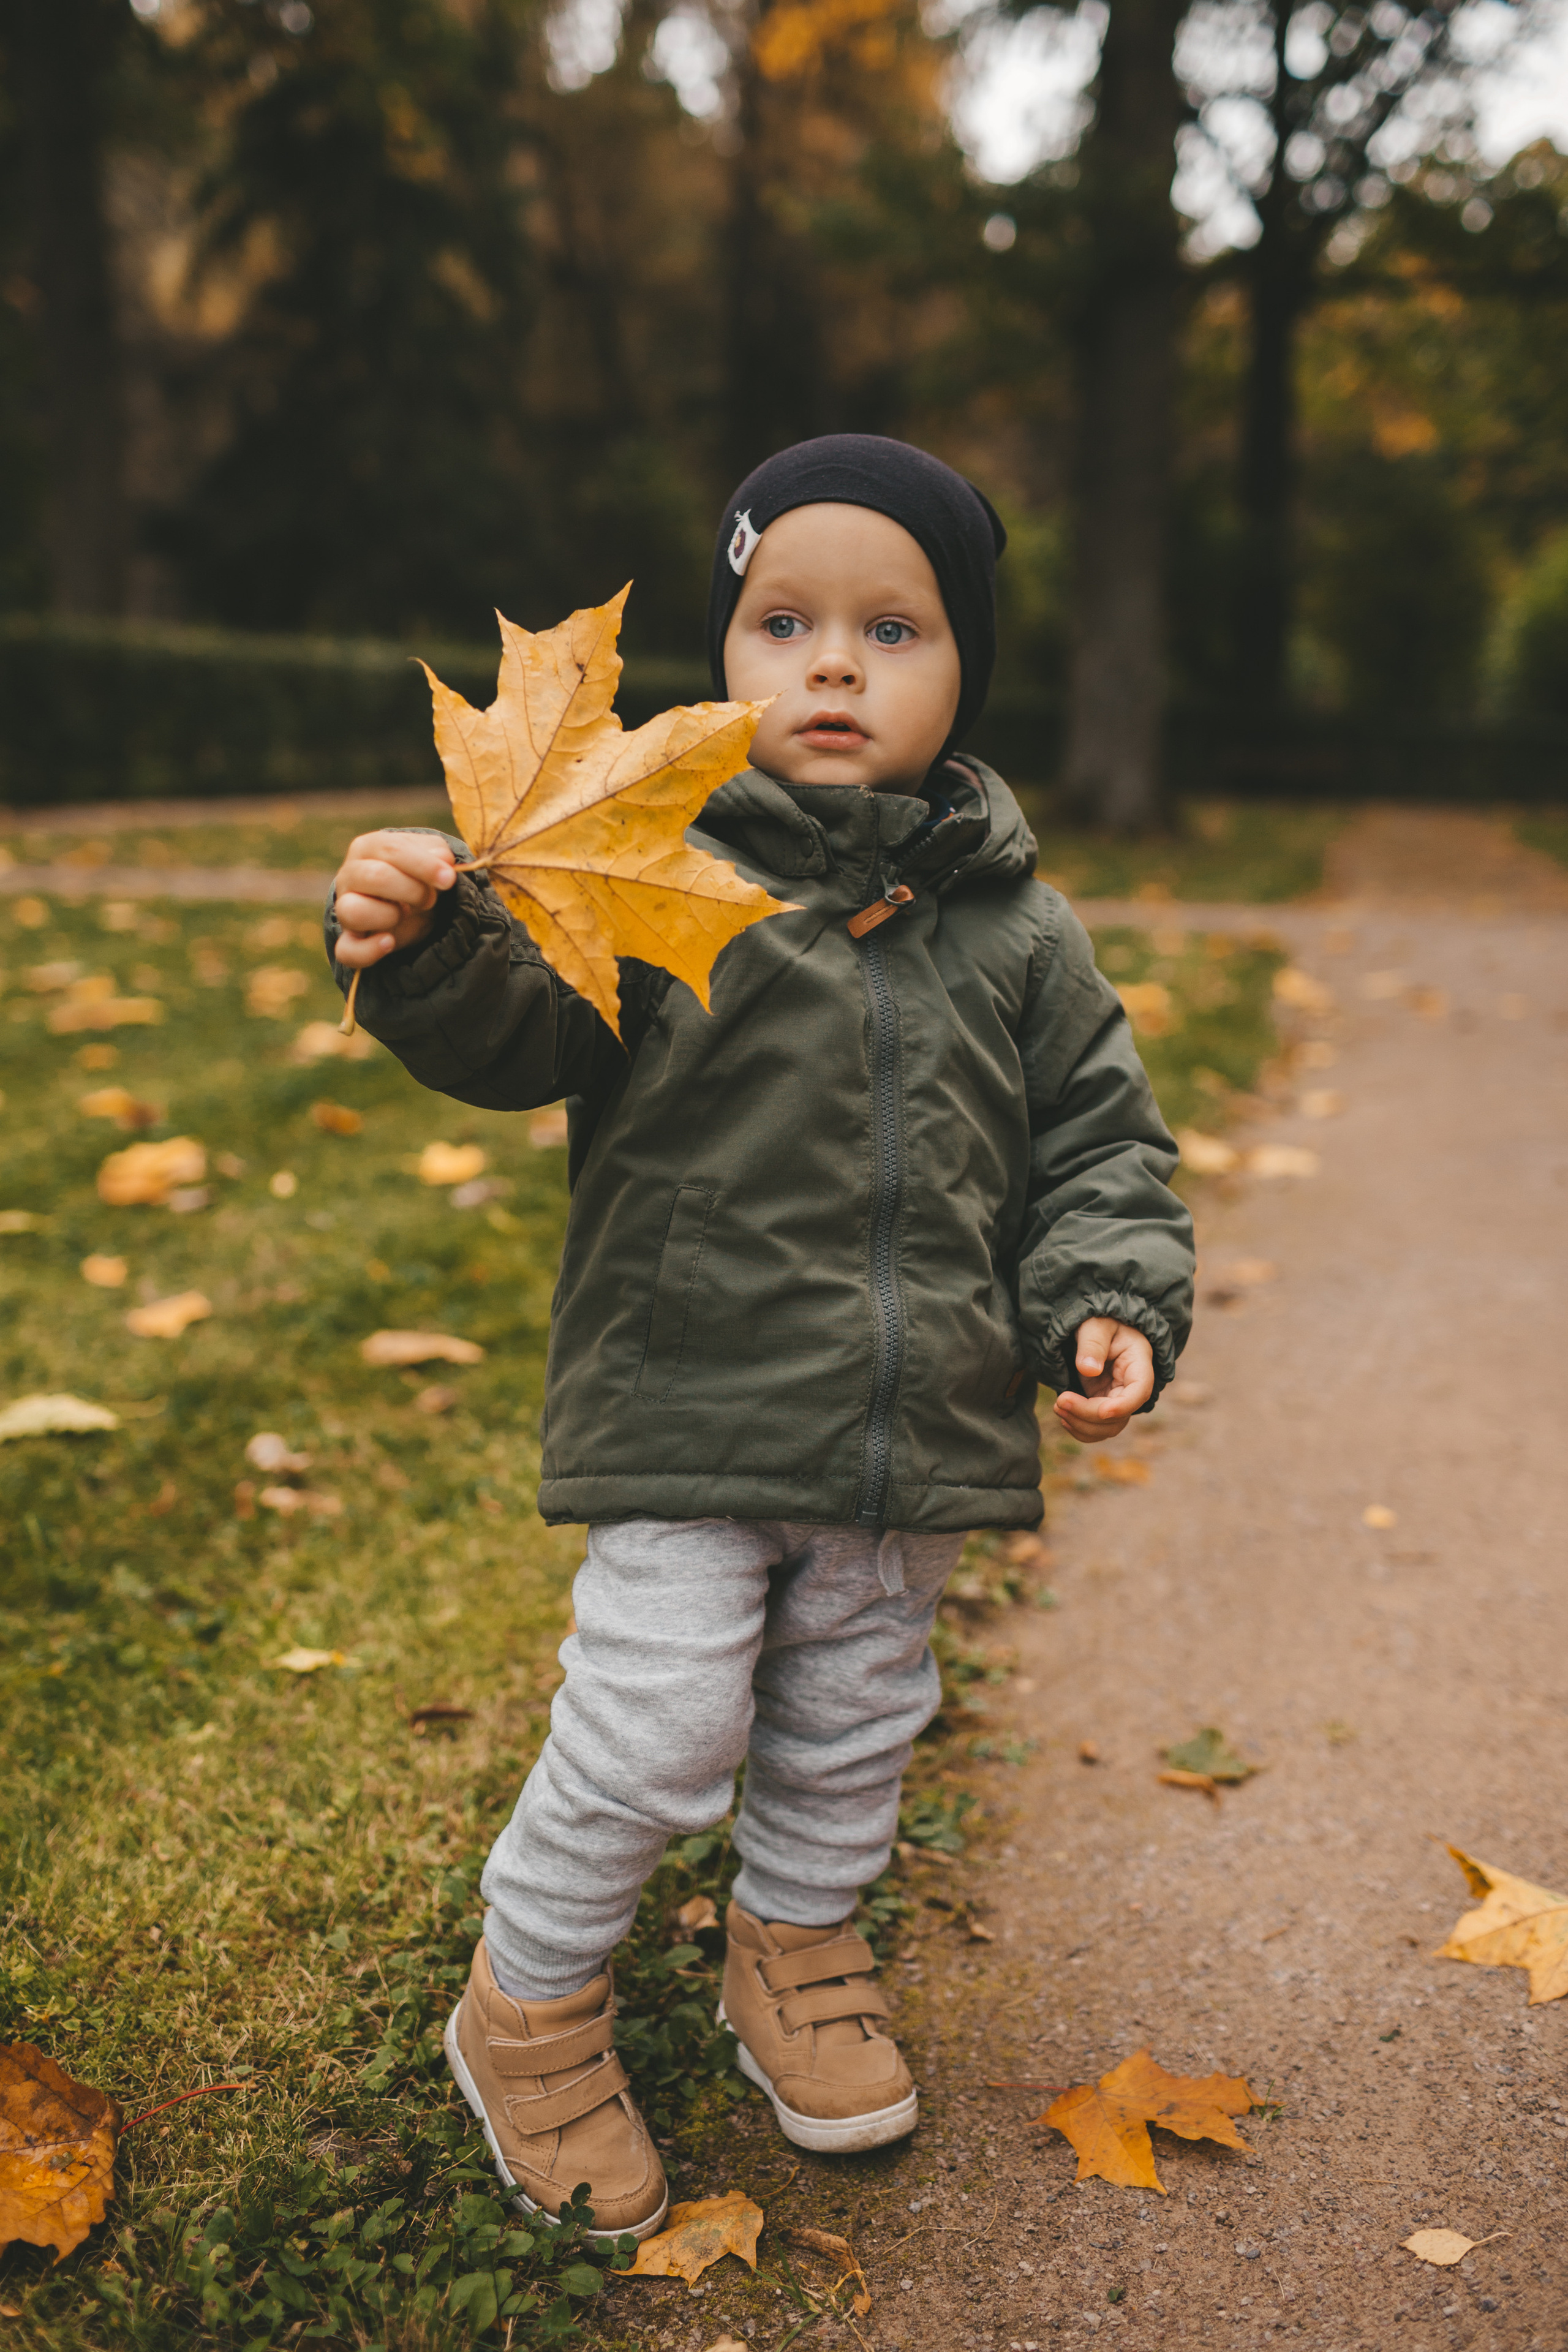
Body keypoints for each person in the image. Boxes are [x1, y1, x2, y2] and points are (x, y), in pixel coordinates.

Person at [326, 434, 1194, 2241]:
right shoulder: (652, 874)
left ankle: (791, 1949)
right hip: (691, 1408)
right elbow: (523, 1035)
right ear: (720, 656)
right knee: (655, 1728)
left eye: (893, 629)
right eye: (782, 621)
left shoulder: (1023, 935)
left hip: (913, 1435)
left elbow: (1101, 1149)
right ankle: (533, 2005)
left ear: (967, 675)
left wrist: (1104, 1293)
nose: (830, 665)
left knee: (853, 1726)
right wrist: (427, 953)